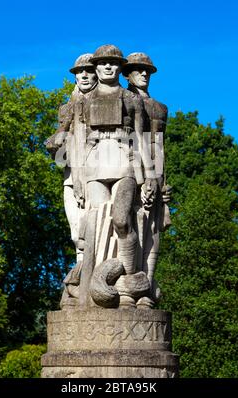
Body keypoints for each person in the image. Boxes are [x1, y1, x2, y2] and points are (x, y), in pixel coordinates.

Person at [79, 45, 157, 306]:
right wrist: (79, 179)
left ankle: (131, 280)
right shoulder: (85, 101)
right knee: (93, 226)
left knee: (122, 221)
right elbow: (79, 142)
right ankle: (97, 290)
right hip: (95, 162)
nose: (108, 67)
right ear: (97, 67)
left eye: (113, 64)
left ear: (120, 67)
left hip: (124, 160)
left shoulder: (131, 99)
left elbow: (141, 139)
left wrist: (148, 177)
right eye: (103, 64)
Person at [123, 52, 171, 307]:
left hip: (156, 168)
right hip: (130, 166)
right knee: (132, 223)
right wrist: (142, 175)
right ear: (128, 74)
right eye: (138, 70)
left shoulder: (160, 107)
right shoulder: (125, 100)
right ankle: (132, 286)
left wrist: (161, 179)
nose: (143, 74)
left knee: (153, 227)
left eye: (147, 71)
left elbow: (159, 145)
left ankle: (148, 287)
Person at [45, 53, 97, 262]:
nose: (83, 75)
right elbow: (57, 141)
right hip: (71, 176)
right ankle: (81, 274)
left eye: (88, 71)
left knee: (93, 232)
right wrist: (56, 141)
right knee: (76, 234)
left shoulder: (103, 103)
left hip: (96, 175)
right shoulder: (67, 107)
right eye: (79, 72)